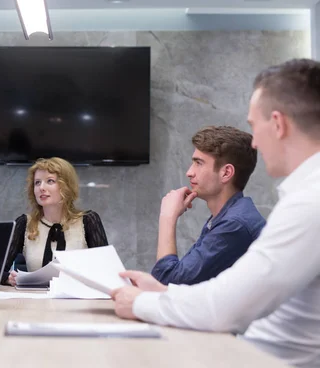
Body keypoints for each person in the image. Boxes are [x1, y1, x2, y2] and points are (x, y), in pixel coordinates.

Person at [112, 59, 320, 368]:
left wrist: (144, 302)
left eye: (254, 127)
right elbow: (229, 292)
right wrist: (166, 293)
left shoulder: (309, 203)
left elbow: (226, 307)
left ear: (278, 124)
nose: (254, 143)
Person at [152, 126, 265, 285]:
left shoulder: (234, 225)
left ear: (226, 173)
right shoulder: (228, 216)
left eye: (199, 163)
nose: (189, 172)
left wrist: (167, 217)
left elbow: (168, 283)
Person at [1, 157, 108, 286]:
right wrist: (8, 279)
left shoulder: (88, 221)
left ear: (66, 186)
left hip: (78, 303)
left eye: (50, 181)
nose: (41, 187)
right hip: (34, 302)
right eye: (37, 182)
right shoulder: (24, 223)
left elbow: (106, 272)